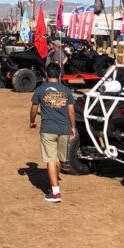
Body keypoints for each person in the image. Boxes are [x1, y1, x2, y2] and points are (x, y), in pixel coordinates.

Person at [29, 62, 76, 203]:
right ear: (59, 75)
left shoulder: (40, 89)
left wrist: (31, 121)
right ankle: (54, 184)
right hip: (64, 129)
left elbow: (33, 108)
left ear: (46, 74)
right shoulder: (67, 90)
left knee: (51, 159)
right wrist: (73, 127)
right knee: (59, 159)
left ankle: (55, 193)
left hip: (48, 129)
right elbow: (71, 111)